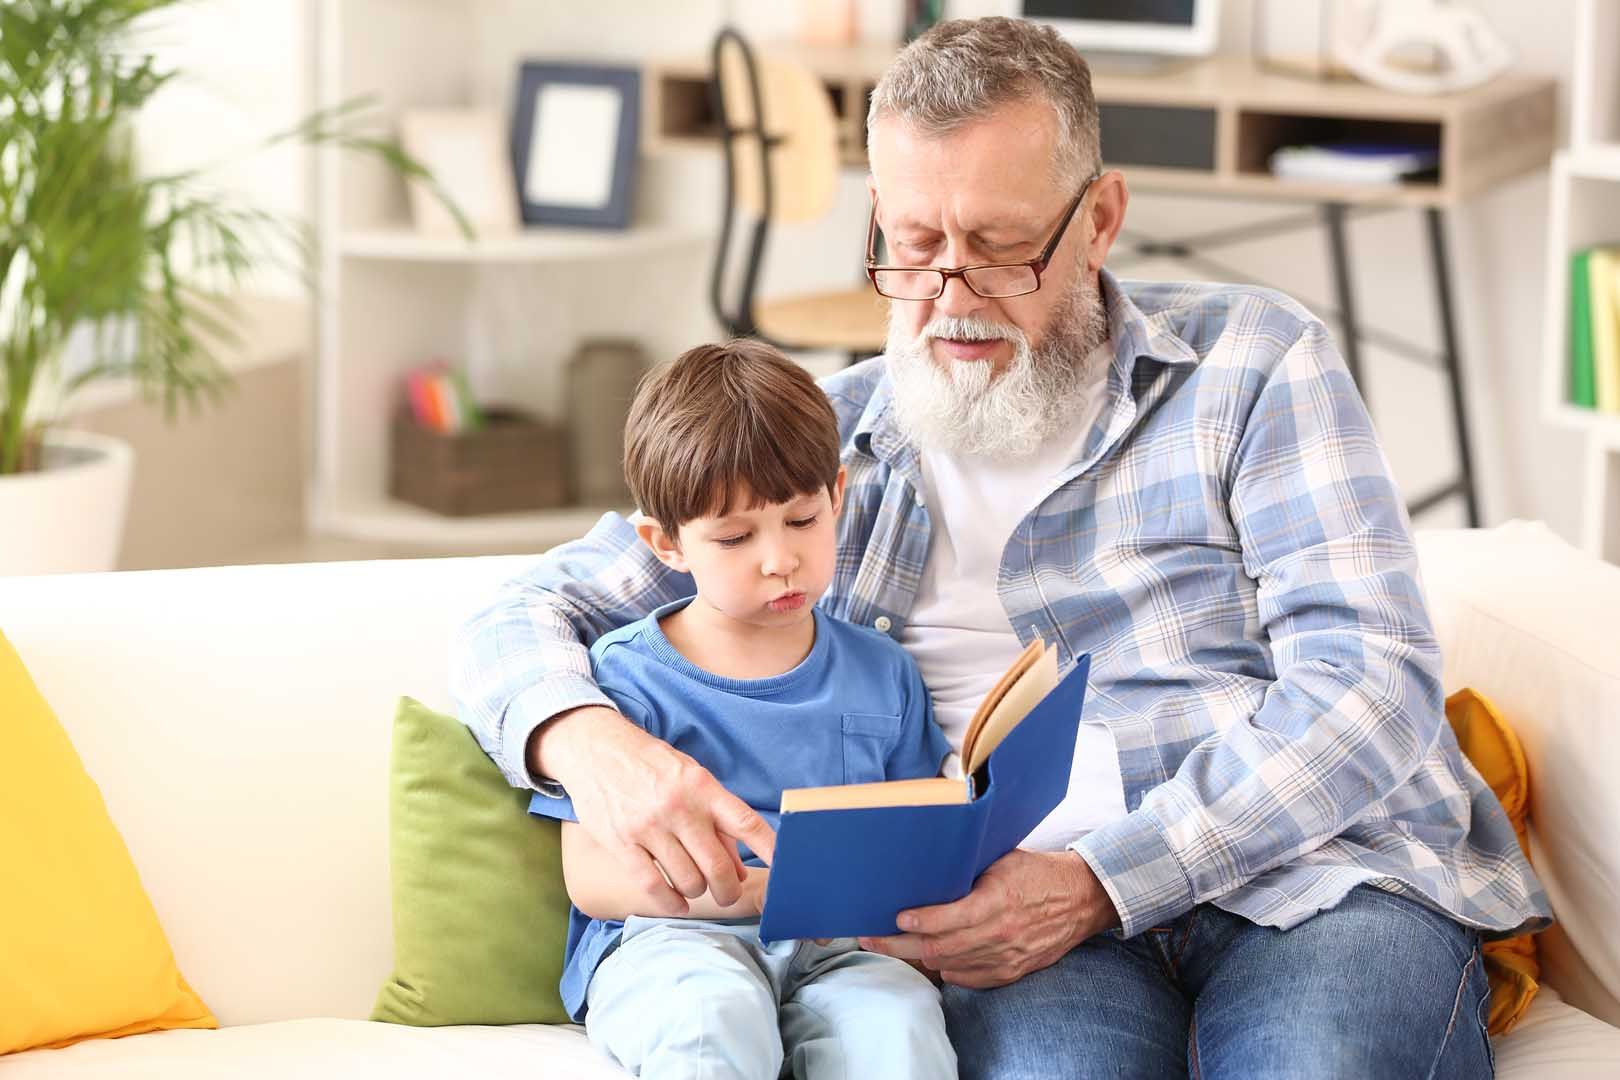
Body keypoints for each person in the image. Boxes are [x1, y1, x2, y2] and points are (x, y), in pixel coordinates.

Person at [453, 17, 1549, 1079]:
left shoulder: (1253, 366)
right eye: (915, 245)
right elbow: (525, 610)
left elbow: (1371, 686)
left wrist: (1098, 881)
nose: (948, 297)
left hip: (1317, 877)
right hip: (1009, 931)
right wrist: (586, 741)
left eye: (1003, 250)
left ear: (1102, 217)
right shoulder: (822, 452)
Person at [523, 339, 956, 1079]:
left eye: (801, 521)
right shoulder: (626, 677)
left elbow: (918, 831)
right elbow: (591, 878)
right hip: (671, 942)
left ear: (838, 497)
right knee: (710, 1021)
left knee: (900, 1030)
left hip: (841, 950)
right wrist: (765, 892)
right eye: (734, 537)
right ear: (667, 544)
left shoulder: (882, 671)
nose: (779, 559)